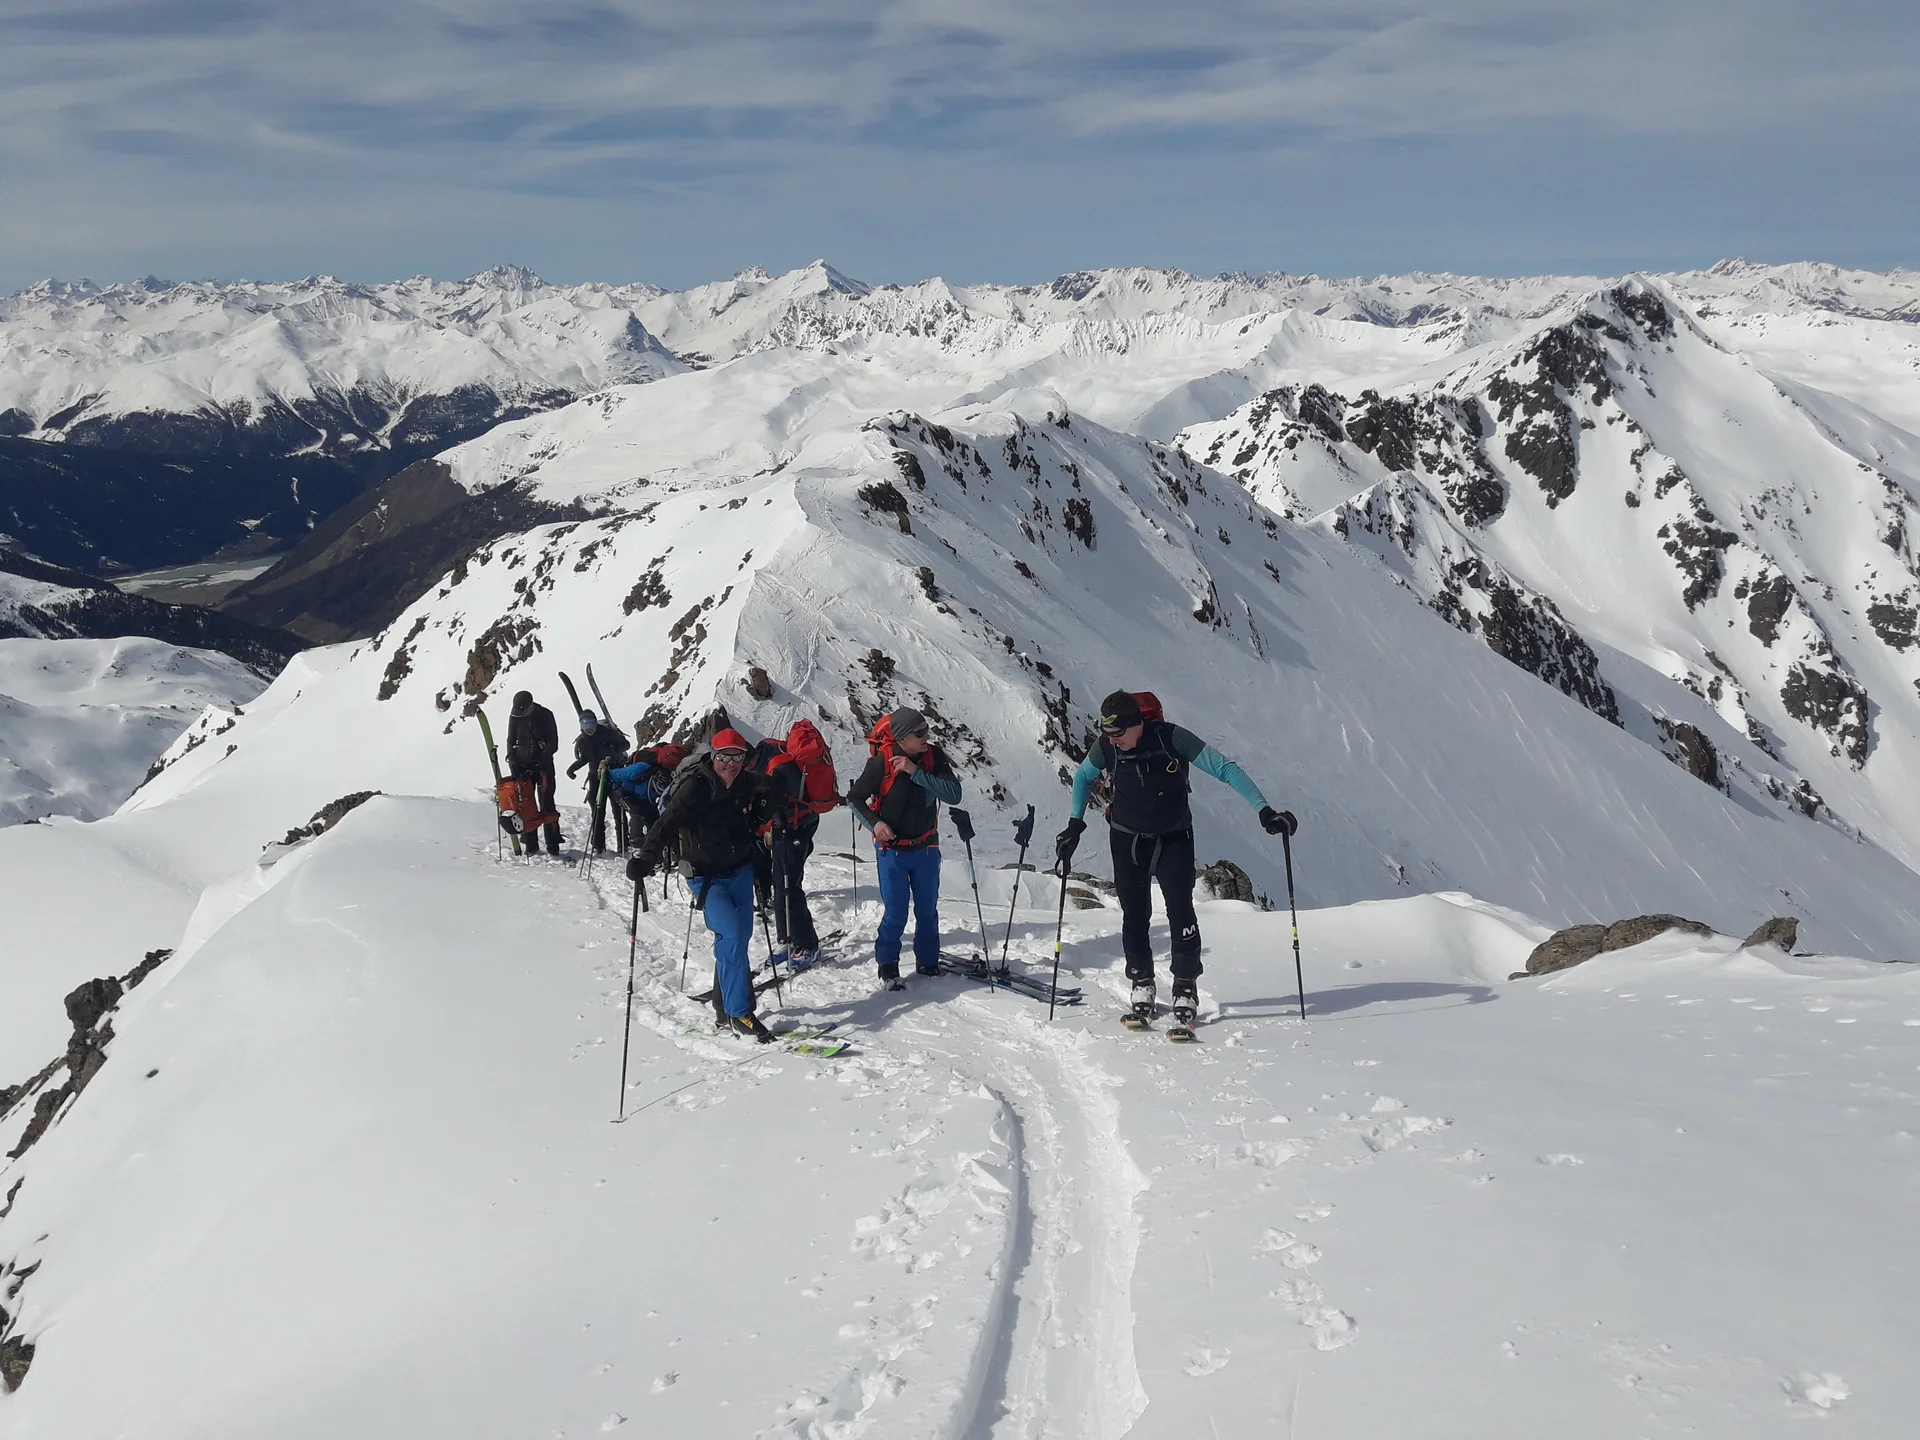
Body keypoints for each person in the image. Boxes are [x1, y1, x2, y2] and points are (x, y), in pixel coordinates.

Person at [1054, 690, 1295, 1023]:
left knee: (1181, 911)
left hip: (1174, 839)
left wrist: (1264, 811)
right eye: (1108, 735)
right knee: (1134, 914)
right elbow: (1083, 777)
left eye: (1118, 733)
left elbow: (1225, 769)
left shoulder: (1171, 738)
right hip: (1127, 839)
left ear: (1137, 723)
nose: (1113, 741)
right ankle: (1141, 981)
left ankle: (1185, 986)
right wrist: (1074, 826)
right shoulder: (1107, 747)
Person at [627, 729, 778, 1042]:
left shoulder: (746, 781)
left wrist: (761, 815)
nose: (731, 763)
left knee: (738, 939)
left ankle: (724, 1008)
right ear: (714, 755)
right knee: (733, 936)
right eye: (724, 756)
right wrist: (645, 857)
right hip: (705, 877)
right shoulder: (696, 786)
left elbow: (775, 787)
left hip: (739, 870)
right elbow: (666, 822)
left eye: (737, 756)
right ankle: (739, 1014)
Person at [847, 706, 961, 984]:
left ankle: (928, 962)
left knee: (926, 909)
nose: (926, 736)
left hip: (926, 847)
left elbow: (954, 795)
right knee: (896, 912)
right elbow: (854, 798)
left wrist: (915, 771)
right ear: (901, 738)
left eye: (926, 730)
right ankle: (887, 964)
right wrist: (875, 824)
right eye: (919, 733)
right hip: (892, 851)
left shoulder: (933, 757)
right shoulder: (881, 762)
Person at [750, 721, 842, 972]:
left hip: (792, 829)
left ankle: (807, 944)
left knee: (790, 887)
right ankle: (788, 940)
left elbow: (769, 806)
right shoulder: (772, 755)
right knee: (781, 884)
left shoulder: (776, 769)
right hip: (795, 826)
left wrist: (760, 828)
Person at [504, 689, 562, 856]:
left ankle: (553, 844)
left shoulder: (545, 715)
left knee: (547, 803)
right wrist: (513, 763)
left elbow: (553, 743)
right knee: (526, 805)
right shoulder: (514, 716)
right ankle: (531, 845)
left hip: (543, 765)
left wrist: (542, 757)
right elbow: (510, 739)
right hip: (522, 766)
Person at [566, 710, 628, 853]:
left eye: (592, 723)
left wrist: (615, 747)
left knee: (618, 810)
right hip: (596, 777)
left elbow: (626, 745)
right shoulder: (582, 741)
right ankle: (598, 845)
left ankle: (624, 844)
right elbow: (584, 759)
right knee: (597, 812)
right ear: (581, 725)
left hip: (613, 774)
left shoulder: (608, 733)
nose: (589, 728)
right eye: (585, 724)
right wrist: (572, 769)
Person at [606, 739, 688, 844]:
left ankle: (653, 850)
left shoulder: (669, 773)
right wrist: (605, 772)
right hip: (624, 792)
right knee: (636, 811)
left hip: (646, 799)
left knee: (654, 820)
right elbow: (618, 775)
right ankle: (635, 840)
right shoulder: (643, 767)